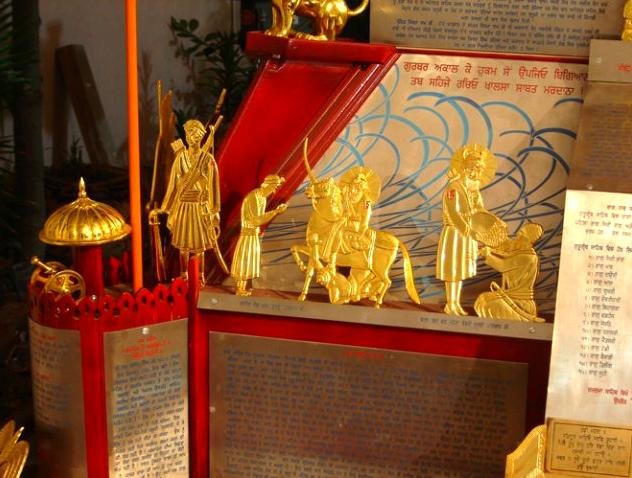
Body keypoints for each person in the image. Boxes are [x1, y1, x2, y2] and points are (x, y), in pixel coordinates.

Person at [436, 144, 496, 315]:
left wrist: (486, 221)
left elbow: (480, 210)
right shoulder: (453, 187)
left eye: (479, 169)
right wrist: (467, 230)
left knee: (460, 269)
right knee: (452, 268)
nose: (477, 172)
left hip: (469, 233)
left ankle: (456, 303)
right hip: (455, 233)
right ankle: (450, 303)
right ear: (467, 167)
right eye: (475, 168)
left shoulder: (473, 190)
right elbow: (453, 213)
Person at [160, 119, 221, 282]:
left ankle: (200, 275)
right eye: (188, 134)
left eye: (195, 134)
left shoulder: (208, 159)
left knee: (200, 246)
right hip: (184, 206)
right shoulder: (180, 158)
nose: (191, 137)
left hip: (200, 206)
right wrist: (166, 207)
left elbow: (213, 187)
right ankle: (184, 275)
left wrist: (214, 211)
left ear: (201, 136)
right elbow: (173, 184)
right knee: (183, 244)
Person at [474, 223, 545, 322]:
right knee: (482, 299)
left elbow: (503, 264)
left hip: (520, 302)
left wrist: (488, 254)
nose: (518, 236)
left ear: (529, 238)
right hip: (510, 296)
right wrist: (489, 250)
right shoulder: (520, 252)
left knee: (488, 305)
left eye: (522, 234)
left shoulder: (528, 257)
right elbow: (505, 254)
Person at [231, 175, 287, 296]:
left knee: (250, 260)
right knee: (245, 259)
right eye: (274, 187)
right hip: (248, 234)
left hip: (254, 234)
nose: (274, 191)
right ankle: (240, 287)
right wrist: (275, 212)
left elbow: (259, 219)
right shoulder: (254, 197)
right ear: (268, 185)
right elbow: (256, 220)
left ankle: (246, 286)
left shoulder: (262, 198)